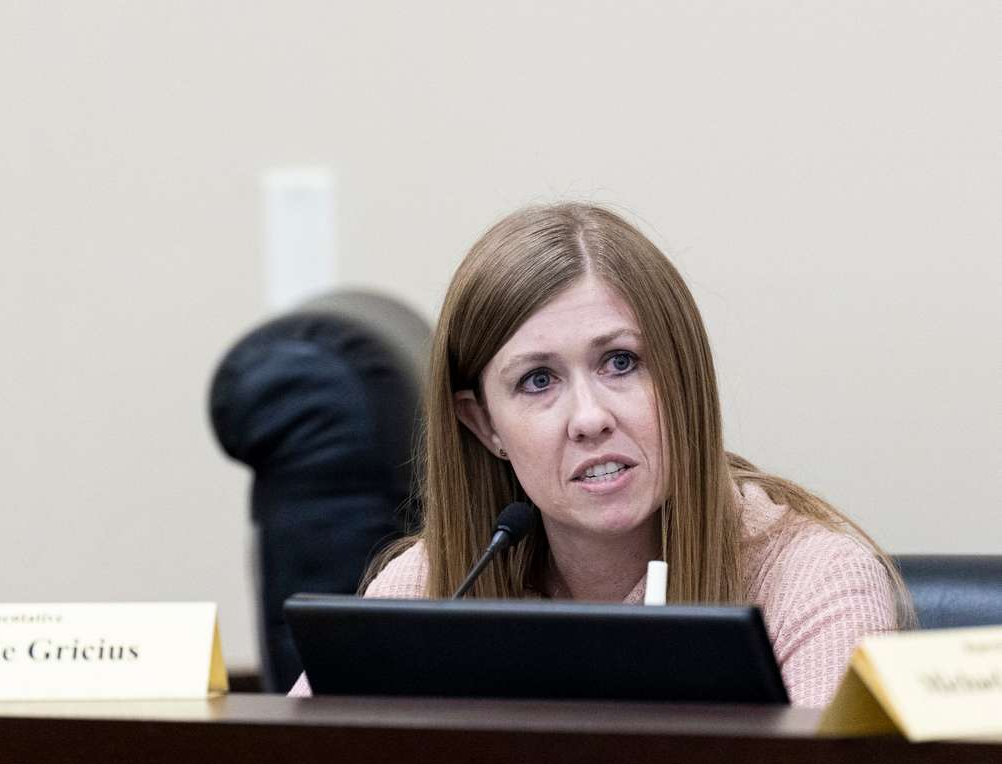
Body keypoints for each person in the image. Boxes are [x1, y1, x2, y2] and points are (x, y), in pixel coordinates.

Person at [289, 202, 910, 707]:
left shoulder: (815, 581)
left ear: (684, 377)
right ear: (483, 425)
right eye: (538, 380)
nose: (589, 418)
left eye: (621, 363)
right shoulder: (436, 586)